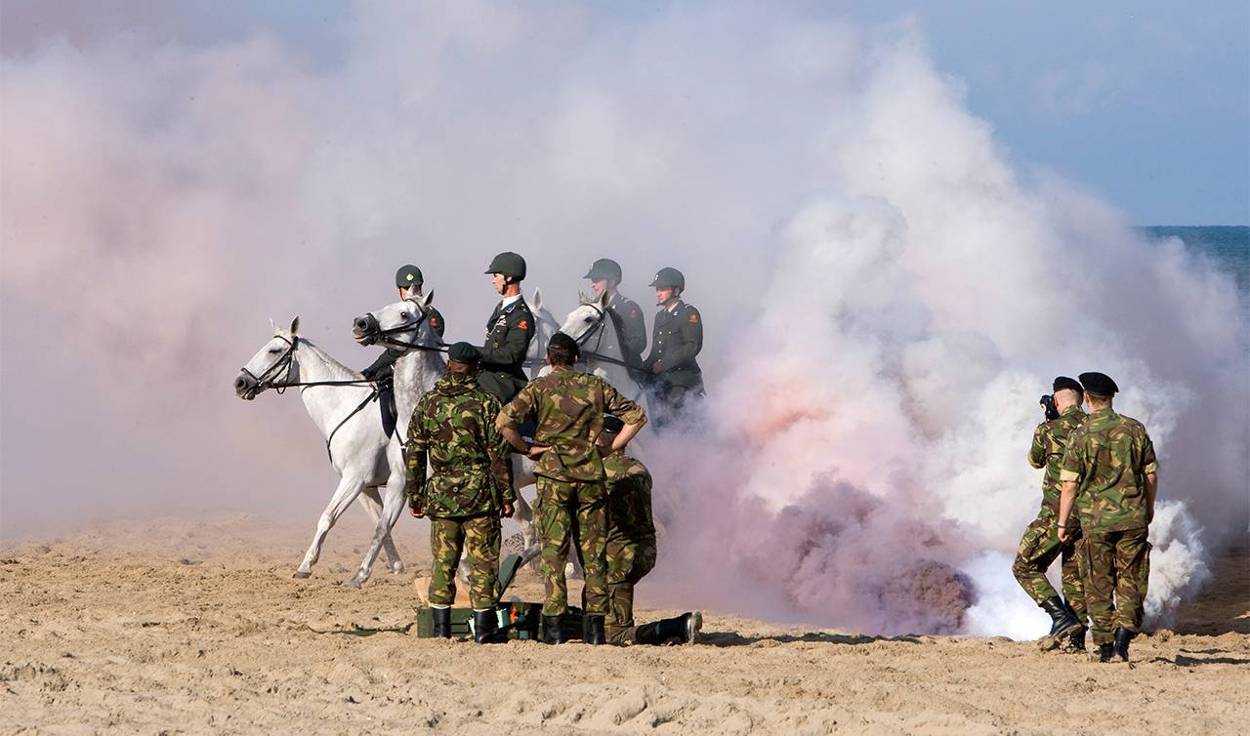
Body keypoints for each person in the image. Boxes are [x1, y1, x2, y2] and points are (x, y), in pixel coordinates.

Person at [496, 333, 646, 645]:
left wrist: (526, 449)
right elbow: (636, 416)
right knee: (593, 555)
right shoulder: (595, 385)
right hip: (590, 479)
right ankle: (594, 627)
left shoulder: (539, 387)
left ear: (549, 360)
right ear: (576, 359)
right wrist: (609, 449)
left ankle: (554, 626)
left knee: (554, 552)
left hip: (553, 479)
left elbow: (503, 423)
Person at [405, 342, 515, 643]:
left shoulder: (428, 403)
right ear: (475, 368)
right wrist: (507, 496)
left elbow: (414, 453)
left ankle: (440, 630)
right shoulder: (486, 402)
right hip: (480, 496)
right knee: (484, 565)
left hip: (441, 496)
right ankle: (484, 631)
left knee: (443, 563)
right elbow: (499, 453)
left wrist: (415, 496)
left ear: (449, 365)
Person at [1057, 372, 1158, 662]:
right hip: (1133, 518)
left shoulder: (1080, 434)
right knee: (1132, 579)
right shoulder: (1135, 429)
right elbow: (1150, 475)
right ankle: (1124, 636)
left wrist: (1063, 523)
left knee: (1097, 583)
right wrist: (1148, 508)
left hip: (1095, 522)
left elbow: (1069, 484)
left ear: (1087, 398)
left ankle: (1103, 646)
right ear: (1111, 397)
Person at [598, 415, 701, 645]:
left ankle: (679, 627)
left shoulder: (601, 473)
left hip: (618, 560)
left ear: (600, 441)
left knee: (615, 634)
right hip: (644, 552)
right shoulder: (639, 468)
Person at [1012, 376, 1088, 650]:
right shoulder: (1096, 428)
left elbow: (1034, 461)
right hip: (1092, 514)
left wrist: (1047, 421)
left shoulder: (1050, 429)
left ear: (1056, 400)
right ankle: (1076, 641)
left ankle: (1060, 617)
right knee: (1074, 576)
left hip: (1058, 513)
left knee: (1025, 566)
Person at [361, 265, 447, 437]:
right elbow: (391, 348)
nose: (409, 292)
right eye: (405, 288)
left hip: (423, 375)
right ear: (400, 291)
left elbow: (397, 352)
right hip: (400, 371)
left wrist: (374, 369)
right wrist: (372, 370)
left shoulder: (431, 315)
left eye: (412, 287)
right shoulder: (399, 314)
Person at [640, 267, 703, 427]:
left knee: (678, 423)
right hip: (662, 379)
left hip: (682, 380)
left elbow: (692, 346)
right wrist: (640, 368)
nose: (658, 293)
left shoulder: (688, 313)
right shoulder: (660, 316)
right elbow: (655, 351)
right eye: (657, 289)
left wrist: (665, 363)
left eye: (662, 289)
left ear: (676, 290)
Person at [478, 252, 535, 404]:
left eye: (496, 275)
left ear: (508, 277)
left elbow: (512, 354)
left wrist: (478, 353)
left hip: (504, 383)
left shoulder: (521, 316)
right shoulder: (501, 308)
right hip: (487, 376)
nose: (493, 280)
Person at [583, 258, 648, 368]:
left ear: (612, 281)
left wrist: (612, 350)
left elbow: (639, 342)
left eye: (597, 280)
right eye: (592, 281)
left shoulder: (628, 307)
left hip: (626, 368)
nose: (593, 285)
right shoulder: (593, 310)